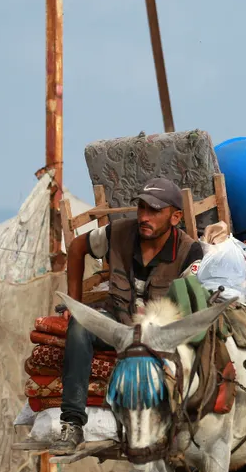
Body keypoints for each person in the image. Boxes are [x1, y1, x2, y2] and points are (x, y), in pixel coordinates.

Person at [50, 177, 204, 452]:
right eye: (141, 208)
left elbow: (189, 309)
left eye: (154, 211)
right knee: (80, 327)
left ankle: (163, 424)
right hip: (119, 327)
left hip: (159, 338)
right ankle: (72, 424)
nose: (144, 217)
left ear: (175, 217)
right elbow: (76, 247)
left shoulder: (189, 252)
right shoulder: (117, 233)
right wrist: (76, 304)